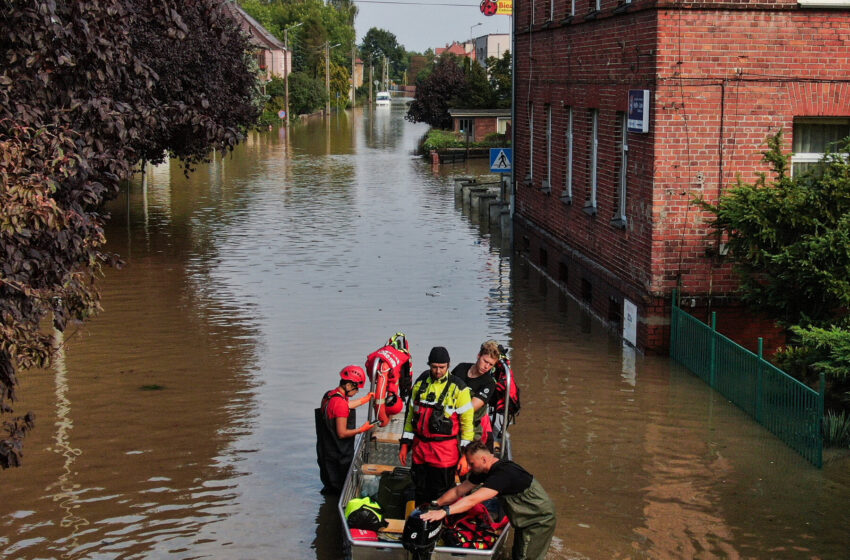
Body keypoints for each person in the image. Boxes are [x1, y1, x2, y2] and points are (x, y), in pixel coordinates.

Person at [420, 441, 556, 560]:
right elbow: (459, 490)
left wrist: (444, 512)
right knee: (518, 554)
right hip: (524, 519)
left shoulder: (502, 474)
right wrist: (436, 504)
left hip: (538, 520)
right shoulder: (485, 470)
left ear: (484, 459)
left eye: (471, 463)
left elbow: (472, 499)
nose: (469, 467)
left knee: (525, 557)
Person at [398, 346, 474, 505]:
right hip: (420, 450)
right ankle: (421, 521)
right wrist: (405, 445)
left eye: (442, 367)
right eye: (434, 367)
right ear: (429, 365)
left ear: (448, 365)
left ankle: (442, 524)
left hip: (444, 453)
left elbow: (467, 427)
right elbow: (411, 416)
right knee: (420, 490)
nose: (438, 371)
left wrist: (465, 457)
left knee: (442, 493)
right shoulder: (420, 384)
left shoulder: (459, 388)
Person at [315, 365, 375, 494]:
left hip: (326, 453)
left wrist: (365, 399)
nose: (356, 392)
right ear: (348, 385)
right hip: (338, 458)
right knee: (339, 491)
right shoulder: (340, 404)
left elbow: (343, 406)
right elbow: (342, 433)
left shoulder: (330, 395)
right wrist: (361, 429)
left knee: (330, 489)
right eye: (356, 388)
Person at [451, 340, 500, 450]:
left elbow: (470, 408)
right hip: (450, 419)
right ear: (478, 356)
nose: (486, 367)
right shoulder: (461, 368)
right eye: (485, 361)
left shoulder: (489, 383)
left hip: (471, 426)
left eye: (491, 365)